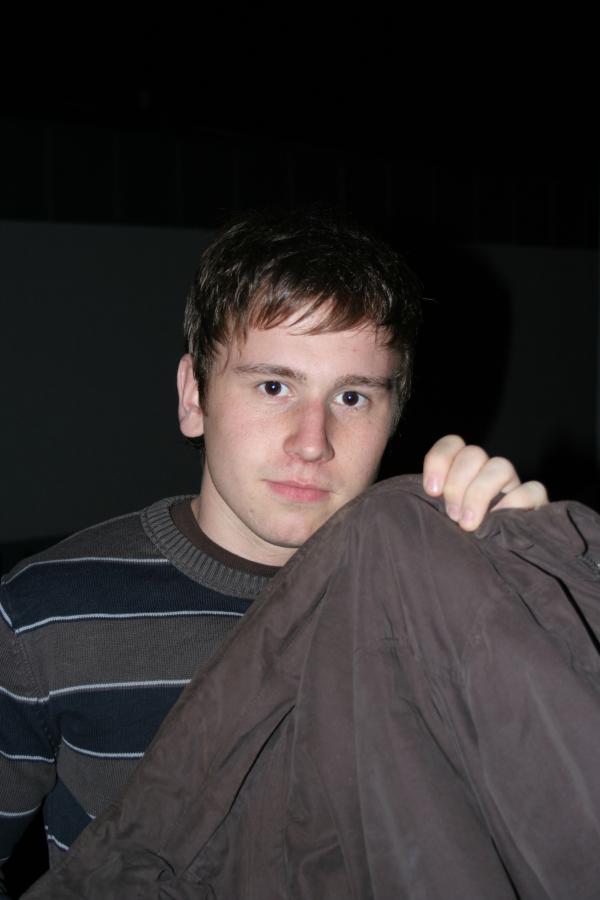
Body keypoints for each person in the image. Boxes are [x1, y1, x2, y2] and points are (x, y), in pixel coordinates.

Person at [0, 211, 547, 890]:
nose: (312, 441)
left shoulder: (428, 604)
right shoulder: (45, 614)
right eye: (273, 386)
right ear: (194, 398)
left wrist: (530, 593)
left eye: (353, 397)